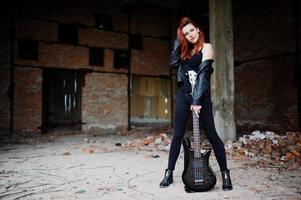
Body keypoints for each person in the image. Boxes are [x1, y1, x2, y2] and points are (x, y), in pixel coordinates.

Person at [159, 17, 233, 191]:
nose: (190, 35)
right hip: (183, 96)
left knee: (213, 136)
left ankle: (225, 174)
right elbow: (173, 63)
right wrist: (179, 38)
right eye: (186, 33)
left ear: (198, 29)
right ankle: (169, 173)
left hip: (202, 97)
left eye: (191, 30)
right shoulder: (184, 52)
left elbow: (204, 74)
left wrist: (198, 100)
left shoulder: (207, 47)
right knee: (177, 135)